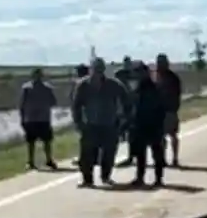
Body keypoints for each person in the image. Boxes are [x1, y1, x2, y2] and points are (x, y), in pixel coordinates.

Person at [70, 56, 131, 187]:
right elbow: (76, 105)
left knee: (108, 153)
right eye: (95, 69)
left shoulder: (114, 84)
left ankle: (105, 176)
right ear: (90, 70)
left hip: (109, 124)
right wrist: (78, 122)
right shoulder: (83, 85)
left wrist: (123, 119)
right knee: (87, 154)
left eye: (100, 70)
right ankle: (87, 179)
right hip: (90, 125)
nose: (97, 73)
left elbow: (126, 100)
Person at [128, 61, 167, 187]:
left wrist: (160, 123)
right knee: (141, 154)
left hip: (153, 124)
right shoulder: (138, 88)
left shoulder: (154, 87)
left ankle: (158, 178)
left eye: (139, 71)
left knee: (157, 153)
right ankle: (140, 177)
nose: (137, 74)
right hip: (140, 124)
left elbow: (160, 106)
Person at [18, 68, 59, 170]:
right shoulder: (26, 88)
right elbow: (22, 104)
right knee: (31, 142)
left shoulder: (47, 88)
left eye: (39, 75)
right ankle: (30, 161)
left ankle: (49, 160)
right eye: (36, 75)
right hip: (31, 118)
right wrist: (22, 118)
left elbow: (54, 102)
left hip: (43, 118)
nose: (37, 78)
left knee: (47, 141)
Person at [153, 53, 183, 167]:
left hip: (170, 109)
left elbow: (177, 93)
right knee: (161, 137)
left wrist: (174, 107)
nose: (159, 65)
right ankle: (163, 158)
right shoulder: (155, 77)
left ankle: (175, 158)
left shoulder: (172, 78)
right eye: (158, 63)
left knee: (172, 134)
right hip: (159, 111)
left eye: (161, 63)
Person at [113, 55, 138, 167]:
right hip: (121, 111)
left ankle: (131, 156)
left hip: (131, 110)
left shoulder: (134, 77)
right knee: (116, 135)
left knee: (132, 135)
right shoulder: (119, 77)